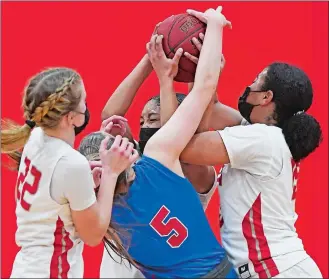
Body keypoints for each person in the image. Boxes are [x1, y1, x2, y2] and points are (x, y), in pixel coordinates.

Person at [81, 6, 236, 278]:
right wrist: (213, 27)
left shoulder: (95, 208)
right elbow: (203, 89)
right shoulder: (156, 159)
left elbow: (190, 127)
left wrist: (163, 75)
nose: (143, 127)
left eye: (152, 120)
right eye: (141, 122)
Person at [179, 10, 323, 278]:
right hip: (278, 269)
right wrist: (200, 67)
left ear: (266, 97)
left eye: (256, 80)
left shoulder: (262, 140)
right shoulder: (263, 134)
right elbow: (207, 106)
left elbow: (186, 147)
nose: (249, 86)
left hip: (277, 270)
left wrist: (215, 29)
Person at [1, 67, 138, 278]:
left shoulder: (35, 138)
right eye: (84, 100)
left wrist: (87, 176)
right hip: (52, 272)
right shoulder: (71, 164)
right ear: (71, 118)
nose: (86, 105)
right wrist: (111, 172)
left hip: (26, 268)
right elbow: (93, 236)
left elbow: (57, 190)